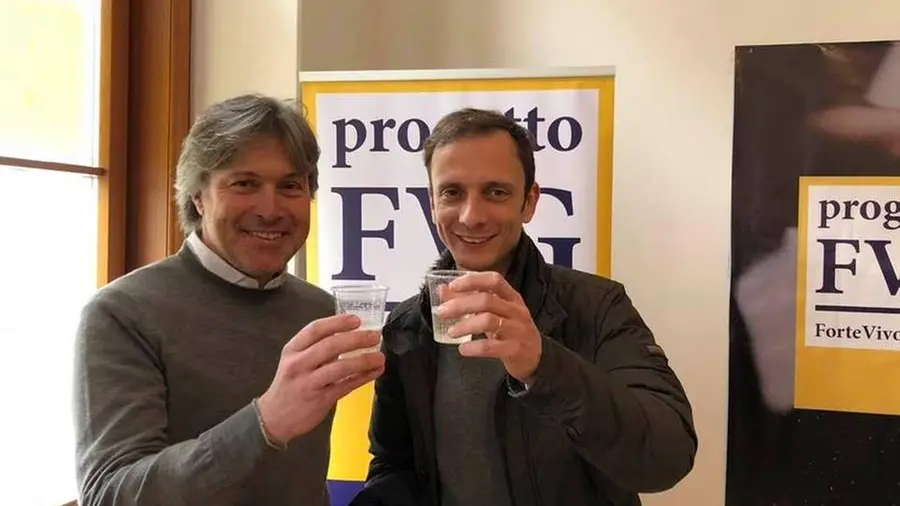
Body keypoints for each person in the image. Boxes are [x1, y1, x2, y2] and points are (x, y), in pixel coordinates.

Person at [352, 108, 698, 506]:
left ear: (529, 202)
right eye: (452, 193)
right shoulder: (407, 327)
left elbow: (667, 456)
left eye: (496, 192)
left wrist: (544, 366)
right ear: (432, 203)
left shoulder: (597, 306)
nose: (472, 216)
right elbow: (394, 465)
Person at [72, 93, 385, 506]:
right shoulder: (122, 313)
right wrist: (265, 422)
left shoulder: (318, 311)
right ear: (198, 197)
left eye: (290, 186)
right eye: (245, 184)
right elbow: (110, 495)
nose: (270, 209)